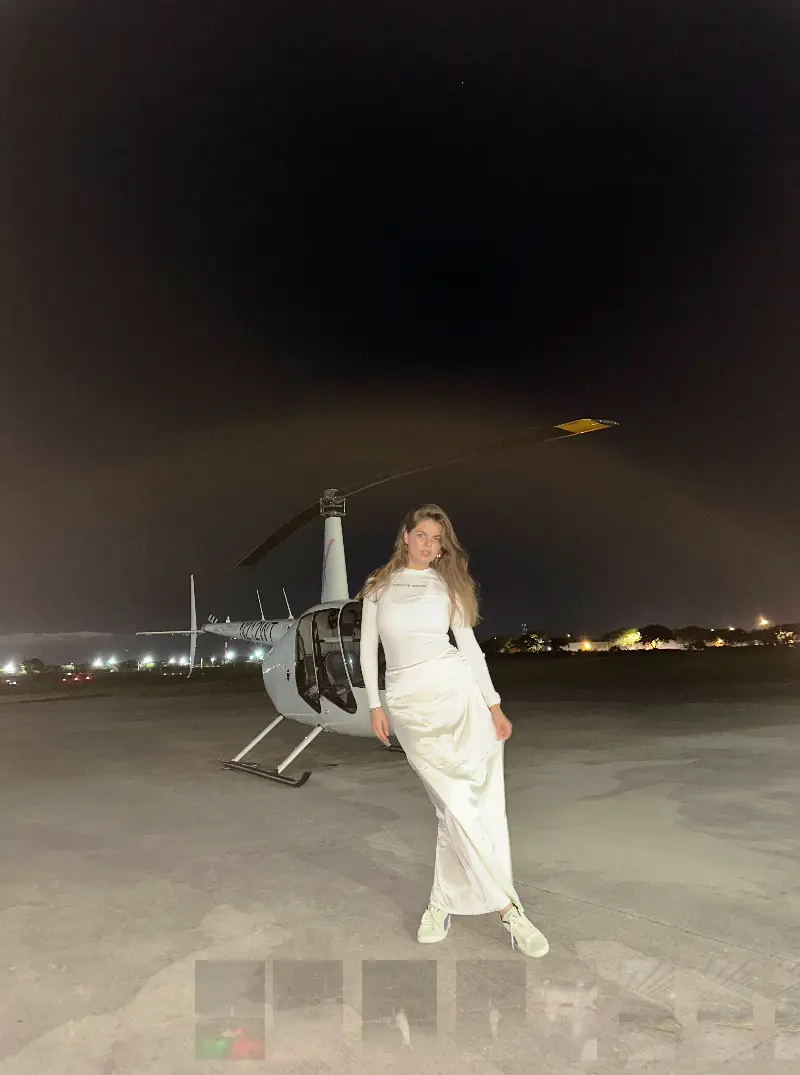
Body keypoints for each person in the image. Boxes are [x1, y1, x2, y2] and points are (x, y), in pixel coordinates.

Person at [358, 503, 549, 958]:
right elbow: (368, 650)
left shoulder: (448, 585)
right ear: (405, 536)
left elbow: (469, 648)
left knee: (466, 809)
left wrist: (494, 705)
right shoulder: (377, 587)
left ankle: (445, 903)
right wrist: (373, 704)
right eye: (421, 535)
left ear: (443, 546)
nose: (428, 545)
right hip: (408, 704)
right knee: (456, 803)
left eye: (436, 539)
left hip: (458, 697)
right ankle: (509, 911)